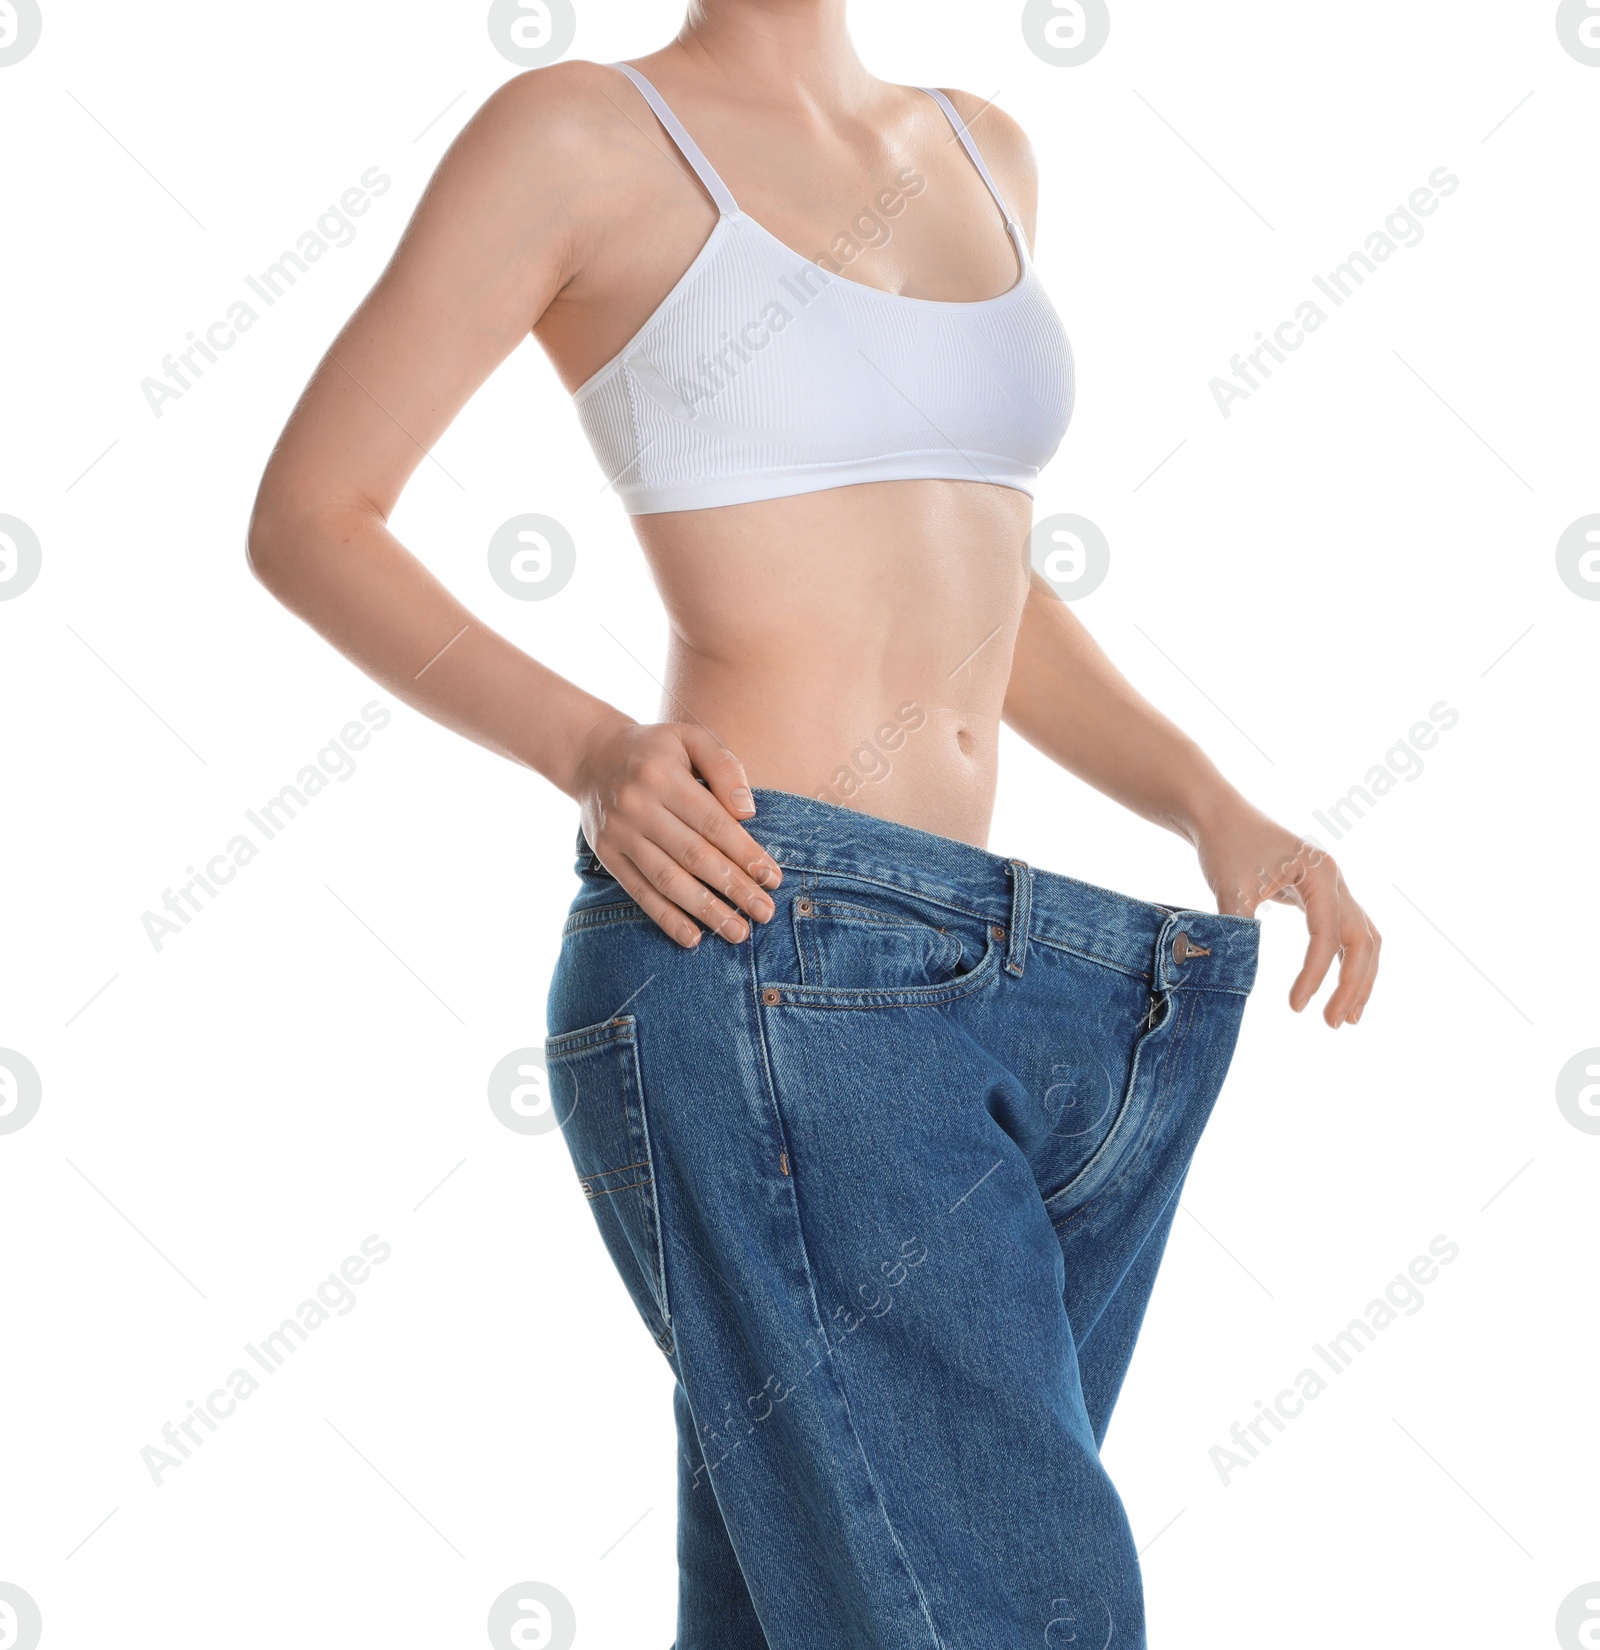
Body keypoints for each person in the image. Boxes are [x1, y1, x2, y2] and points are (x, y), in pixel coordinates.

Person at [248, 5, 1380, 1644]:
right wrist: (592, 748)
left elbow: (973, 567)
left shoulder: (985, 147)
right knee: (1013, 1604)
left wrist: (1203, 792)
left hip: (1024, 970)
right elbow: (311, 513)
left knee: (830, 1606)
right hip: (763, 928)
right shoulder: (581, 134)